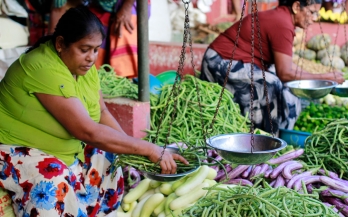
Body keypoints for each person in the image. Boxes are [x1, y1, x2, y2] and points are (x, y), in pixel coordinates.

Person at [0, 6, 188, 216]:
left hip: (66, 149)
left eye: (96, 49)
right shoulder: (41, 67)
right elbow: (87, 131)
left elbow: (102, 113)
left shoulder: (85, 68)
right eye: (84, 49)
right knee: (52, 179)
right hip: (15, 147)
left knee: (108, 158)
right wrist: (149, 149)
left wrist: (129, 147)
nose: (91, 57)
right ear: (61, 44)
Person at [200, 0, 345, 134]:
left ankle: (284, 133)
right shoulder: (282, 23)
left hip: (244, 62)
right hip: (220, 60)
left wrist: (321, 78)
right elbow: (285, 73)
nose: (315, 18)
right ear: (296, 7)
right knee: (272, 83)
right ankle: (266, 138)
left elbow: (288, 68)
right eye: (312, 12)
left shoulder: (284, 19)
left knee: (290, 87)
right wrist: (325, 77)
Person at [88, 0, 150, 78]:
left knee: (123, 30)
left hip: (130, 3)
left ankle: (125, 78)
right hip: (99, 5)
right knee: (92, 32)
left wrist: (126, 8)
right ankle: (97, 78)